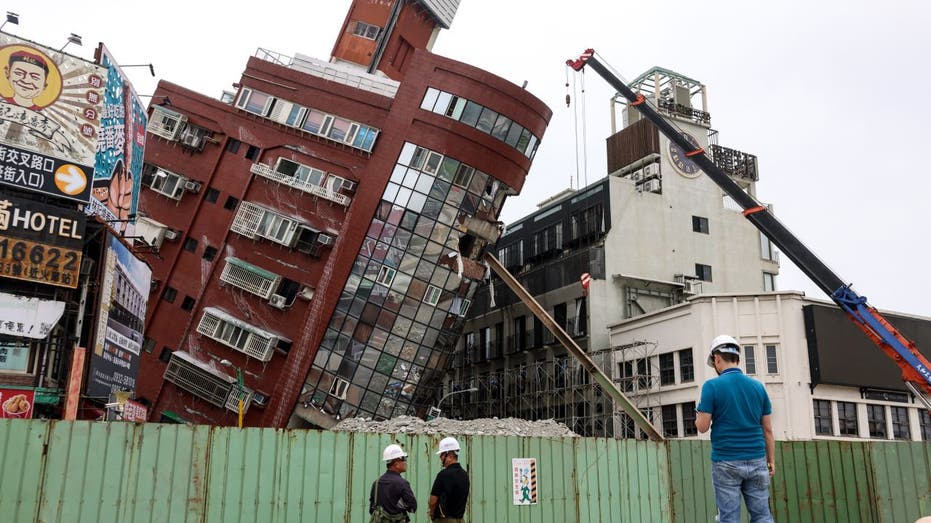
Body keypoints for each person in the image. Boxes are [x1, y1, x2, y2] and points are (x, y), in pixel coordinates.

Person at [696, 335, 775, 523]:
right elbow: (768, 430)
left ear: (717, 359)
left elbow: (702, 427)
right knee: (762, 516)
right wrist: (770, 460)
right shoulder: (758, 387)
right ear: (738, 359)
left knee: (729, 518)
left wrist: (699, 412)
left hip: (726, 461)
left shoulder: (711, 386)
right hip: (757, 459)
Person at [369, 444, 416, 523]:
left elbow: (371, 509)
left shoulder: (376, 483)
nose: (405, 462)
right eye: (403, 458)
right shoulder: (403, 483)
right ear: (396, 463)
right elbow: (412, 507)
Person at [428, 436, 469, 523]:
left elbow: (433, 501)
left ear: (449, 455)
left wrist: (432, 513)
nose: (440, 457)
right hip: (460, 520)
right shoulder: (464, 475)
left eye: (442, 455)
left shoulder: (443, 475)